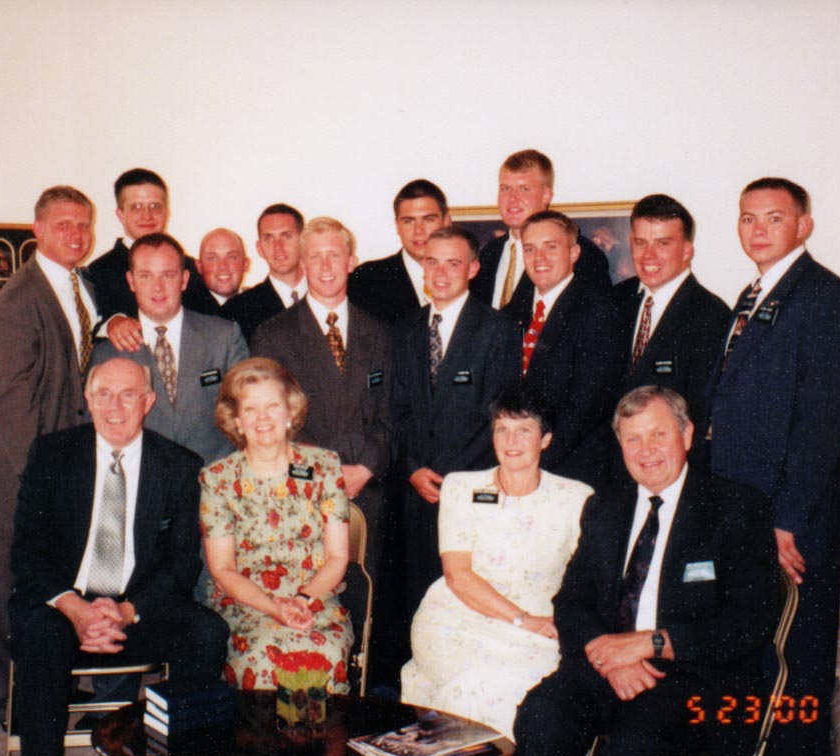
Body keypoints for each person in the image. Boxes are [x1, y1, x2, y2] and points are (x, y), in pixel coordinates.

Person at [514, 386, 779, 756]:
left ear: (687, 435)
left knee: (636, 749)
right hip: (610, 666)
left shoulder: (736, 508)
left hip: (696, 677)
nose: (646, 450)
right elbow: (570, 602)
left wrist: (652, 643)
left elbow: (749, 622)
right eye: (632, 439)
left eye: (658, 434)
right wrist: (610, 659)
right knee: (540, 716)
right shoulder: (604, 508)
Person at [705, 177, 840, 756]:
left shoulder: (825, 298)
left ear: (804, 225)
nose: (759, 229)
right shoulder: (755, 294)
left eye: (774, 218)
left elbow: (824, 424)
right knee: (757, 663)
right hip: (750, 517)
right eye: (748, 218)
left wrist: (786, 521)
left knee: (794, 672)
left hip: (791, 528)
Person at [9, 356, 228, 756]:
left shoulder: (178, 465)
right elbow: (27, 552)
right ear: (88, 399)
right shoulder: (51, 455)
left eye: (128, 395)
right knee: (40, 638)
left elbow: (182, 563)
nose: (115, 407)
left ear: (148, 402)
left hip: (137, 608)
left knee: (206, 633)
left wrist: (127, 610)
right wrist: (76, 608)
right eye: (104, 394)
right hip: (62, 607)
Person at [0, 185, 98, 725]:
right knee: (11, 583)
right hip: (17, 466)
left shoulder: (83, 286)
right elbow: (13, 400)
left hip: (64, 460)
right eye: (63, 224)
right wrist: (38, 478)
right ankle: (7, 700)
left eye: (83, 224)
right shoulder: (19, 298)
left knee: (62, 578)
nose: (76, 234)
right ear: (38, 230)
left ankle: (57, 684)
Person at [400, 388, 593, 739]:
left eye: (524, 430)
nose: (511, 441)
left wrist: (542, 623)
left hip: (540, 630)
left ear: (545, 439)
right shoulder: (461, 487)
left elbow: (587, 580)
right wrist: (521, 619)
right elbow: (458, 576)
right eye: (502, 429)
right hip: (457, 619)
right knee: (481, 686)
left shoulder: (576, 497)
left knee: (520, 691)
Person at [390, 225, 520, 625]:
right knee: (421, 604)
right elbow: (397, 410)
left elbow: (498, 417)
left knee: (471, 605)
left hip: (472, 489)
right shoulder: (405, 329)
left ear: (473, 269)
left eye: (452, 263)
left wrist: (455, 480)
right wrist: (413, 469)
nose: (440, 273)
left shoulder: (497, 329)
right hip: (419, 492)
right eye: (432, 262)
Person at [199, 357, 354, 692]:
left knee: (324, 656)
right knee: (262, 659)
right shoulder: (217, 479)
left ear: (290, 412)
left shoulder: (325, 466)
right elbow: (223, 569)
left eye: (272, 406)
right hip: (247, 603)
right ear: (237, 421)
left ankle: (314, 731)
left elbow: (338, 557)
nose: (263, 417)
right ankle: (266, 732)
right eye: (251, 409)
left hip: (315, 598)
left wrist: (302, 599)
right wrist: (274, 608)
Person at [252, 216, 393, 581]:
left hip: (367, 488)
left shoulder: (379, 332)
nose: (326, 266)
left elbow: (391, 410)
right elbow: (269, 421)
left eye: (335, 255)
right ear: (303, 263)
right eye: (315, 256)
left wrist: (365, 468)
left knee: (364, 598)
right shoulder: (273, 335)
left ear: (351, 261)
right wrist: (326, 473)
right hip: (303, 488)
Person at [92, 232, 248, 465]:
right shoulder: (107, 353)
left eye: (168, 275)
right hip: (146, 480)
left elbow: (247, 413)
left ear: (184, 280)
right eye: (146, 276)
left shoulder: (225, 337)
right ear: (131, 281)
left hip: (215, 478)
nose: (158, 287)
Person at [509, 210, 627, 491]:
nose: (539, 258)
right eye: (530, 249)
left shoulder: (599, 313)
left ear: (574, 253)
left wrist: (535, 461)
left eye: (551, 247)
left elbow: (587, 405)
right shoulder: (509, 314)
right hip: (515, 465)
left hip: (570, 471)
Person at [614, 195, 730, 448]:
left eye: (663, 243)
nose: (649, 255)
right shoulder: (617, 299)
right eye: (640, 243)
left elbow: (700, 413)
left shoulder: (710, 315)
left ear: (687, 250)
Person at [85, 168, 216, 343]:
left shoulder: (189, 267)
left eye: (155, 206)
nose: (147, 215)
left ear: (166, 212)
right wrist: (111, 323)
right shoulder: (99, 271)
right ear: (121, 215)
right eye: (136, 207)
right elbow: (88, 330)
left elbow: (212, 322)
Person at [471, 149, 612, 312]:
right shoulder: (487, 254)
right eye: (505, 189)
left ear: (546, 195)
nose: (512, 198)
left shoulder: (582, 255)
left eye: (524, 189)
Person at [348, 179, 450, 326]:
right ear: (397, 225)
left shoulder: (469, 278)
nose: (418, 231)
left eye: (428, 220)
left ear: (446, 221)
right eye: (409, 221)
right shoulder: (365, 281)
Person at [221, 204, 307, 341]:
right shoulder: (238, 310)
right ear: (259, 248)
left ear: (304, 242)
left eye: (286, 236)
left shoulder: (330, 296)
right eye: (269, 238)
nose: (278, 247)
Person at [196, 227, 250, 309]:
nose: (223, 266)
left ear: (246, 264)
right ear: (199, 266)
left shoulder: (263, 304)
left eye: (232, 257)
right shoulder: (185, 310)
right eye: (212, 258)